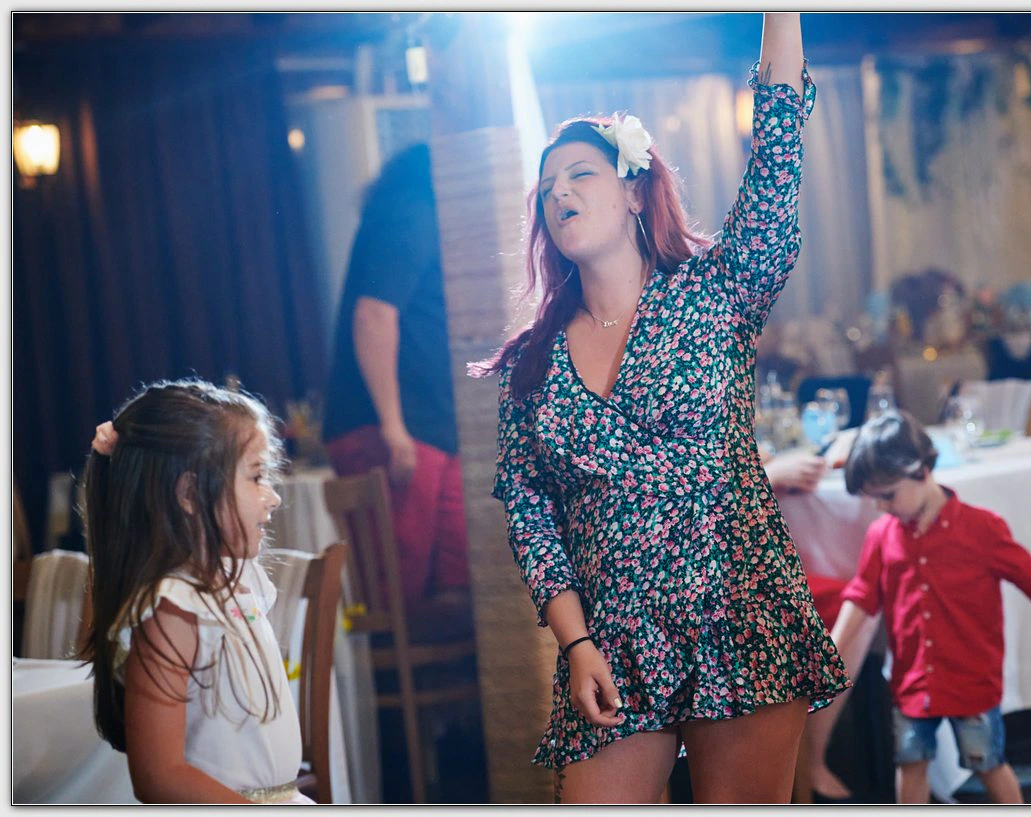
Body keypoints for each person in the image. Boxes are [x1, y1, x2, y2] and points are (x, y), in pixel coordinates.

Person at [470, 13, 848, 804]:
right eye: (547, 187)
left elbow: (776, 154)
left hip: (739, 613)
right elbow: (531, 515)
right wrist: (575, 642)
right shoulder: (530, 363)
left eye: (579, 175)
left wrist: (781, 14)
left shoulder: (717, 293)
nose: (559, 193)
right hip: (613, 642)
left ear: (635, 190)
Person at [831, 410, 1031, 803]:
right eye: (874, 499)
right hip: (913, 680)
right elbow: (860, 598)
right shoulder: (881, 536)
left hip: (970, 678)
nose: (882, 508)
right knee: (910, 762)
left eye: (887, 495)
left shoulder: (981, 529)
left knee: (988, 763)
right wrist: (832, 651)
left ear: (922, 470)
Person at [79, 379, 312, 804]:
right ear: (189, 493)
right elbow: (159, 778)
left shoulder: (240, 582)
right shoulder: (173, 608)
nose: (273, 498)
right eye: (257, 477)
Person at [322, 143, 470, 604]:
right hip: (395, 429)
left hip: (433, 428)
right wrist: (392, 425)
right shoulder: (411, 208)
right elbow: (374, 315)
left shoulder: (422, 211)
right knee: (399, 592)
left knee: (460, 588)